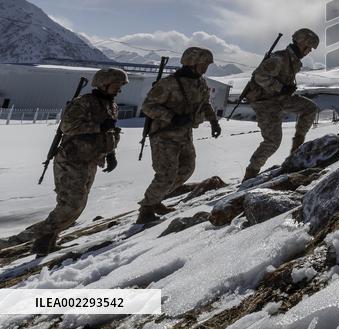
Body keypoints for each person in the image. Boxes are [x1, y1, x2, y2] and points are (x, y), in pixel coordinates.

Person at [0, 68, 128, 256]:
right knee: (71, 205)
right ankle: (23, 240)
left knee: (77, 206)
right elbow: (67, 126)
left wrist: (111, 154)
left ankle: (46, 239)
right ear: (104, 83)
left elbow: (109, 132)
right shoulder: (83, 102)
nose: (119, 89)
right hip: (71, 160)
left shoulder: (111, 104)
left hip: (90, 161)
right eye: (117, 85)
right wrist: (98, 126)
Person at [137, 47, 222, 224]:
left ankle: (157, 199)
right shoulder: (169, 83)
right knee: (166, 174)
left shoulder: (200, 82)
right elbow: (148, 106)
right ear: (192, 63)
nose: (206, 68)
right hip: (164, 136)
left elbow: (205, 103)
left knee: (187, 169)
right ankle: (146, 209)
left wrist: (213, 121)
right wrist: (172, 117)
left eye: (207, 64)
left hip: (185, 134)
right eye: (203, 64)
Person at [241, 28, 321, 182]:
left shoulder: (294, 61)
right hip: (265, 103)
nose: (310, 51)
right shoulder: (279, 58)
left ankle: (296, 151)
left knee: (309, 108)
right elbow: (259, 76)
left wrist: (285, 89)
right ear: (302, 43)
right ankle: (250, 173)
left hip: (279, 98)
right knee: (273, 141)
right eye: (309, 47)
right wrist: (281, 87)